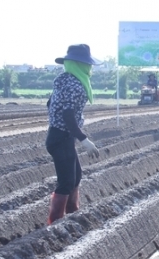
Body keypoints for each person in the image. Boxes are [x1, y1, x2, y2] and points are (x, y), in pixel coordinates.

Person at [45, 44, 101, 225]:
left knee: (76, 176)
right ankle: (56, 222)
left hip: (60, 135)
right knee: (67, 181)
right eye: (88, 64)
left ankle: (71, 214)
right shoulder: (76, 85)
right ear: (80, 64)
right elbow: (68, 114)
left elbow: (50, 104)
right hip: (60, 136)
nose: (90, 68)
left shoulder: (63, 80)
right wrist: (84, 139)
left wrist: (56, 120)